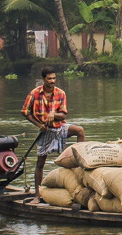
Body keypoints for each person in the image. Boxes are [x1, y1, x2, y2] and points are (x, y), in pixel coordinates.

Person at [22, 67, 85, 203]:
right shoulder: (34, 94)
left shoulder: (60, 93)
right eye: (49, 79)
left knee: (79, 130)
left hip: (59, 127)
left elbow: (63, 114)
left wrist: (53, 114)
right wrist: (39, 125)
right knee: (40, 163)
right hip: (45, 131)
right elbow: (25, 112)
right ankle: (37, 195)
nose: (52, 81)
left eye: (54, 78)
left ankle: (81, 157)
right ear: (43, 79)